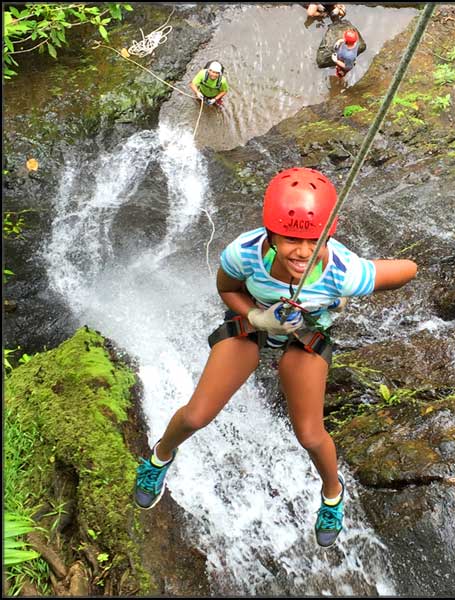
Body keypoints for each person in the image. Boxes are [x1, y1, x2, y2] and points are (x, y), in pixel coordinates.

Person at [133, 167, 418, 548]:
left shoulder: (344, 272)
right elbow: (226, 288)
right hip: (253, 318)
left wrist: (354, 285)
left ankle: (332, 495)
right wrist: (254, 316)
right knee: (197, 414)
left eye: (313, 240)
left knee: (310, 435)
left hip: (307, 332)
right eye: (291, 239)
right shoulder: (244, 254)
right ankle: (159, 458)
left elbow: (407, 270)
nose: (302, 252)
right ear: (270, 234)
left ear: (329, 235)